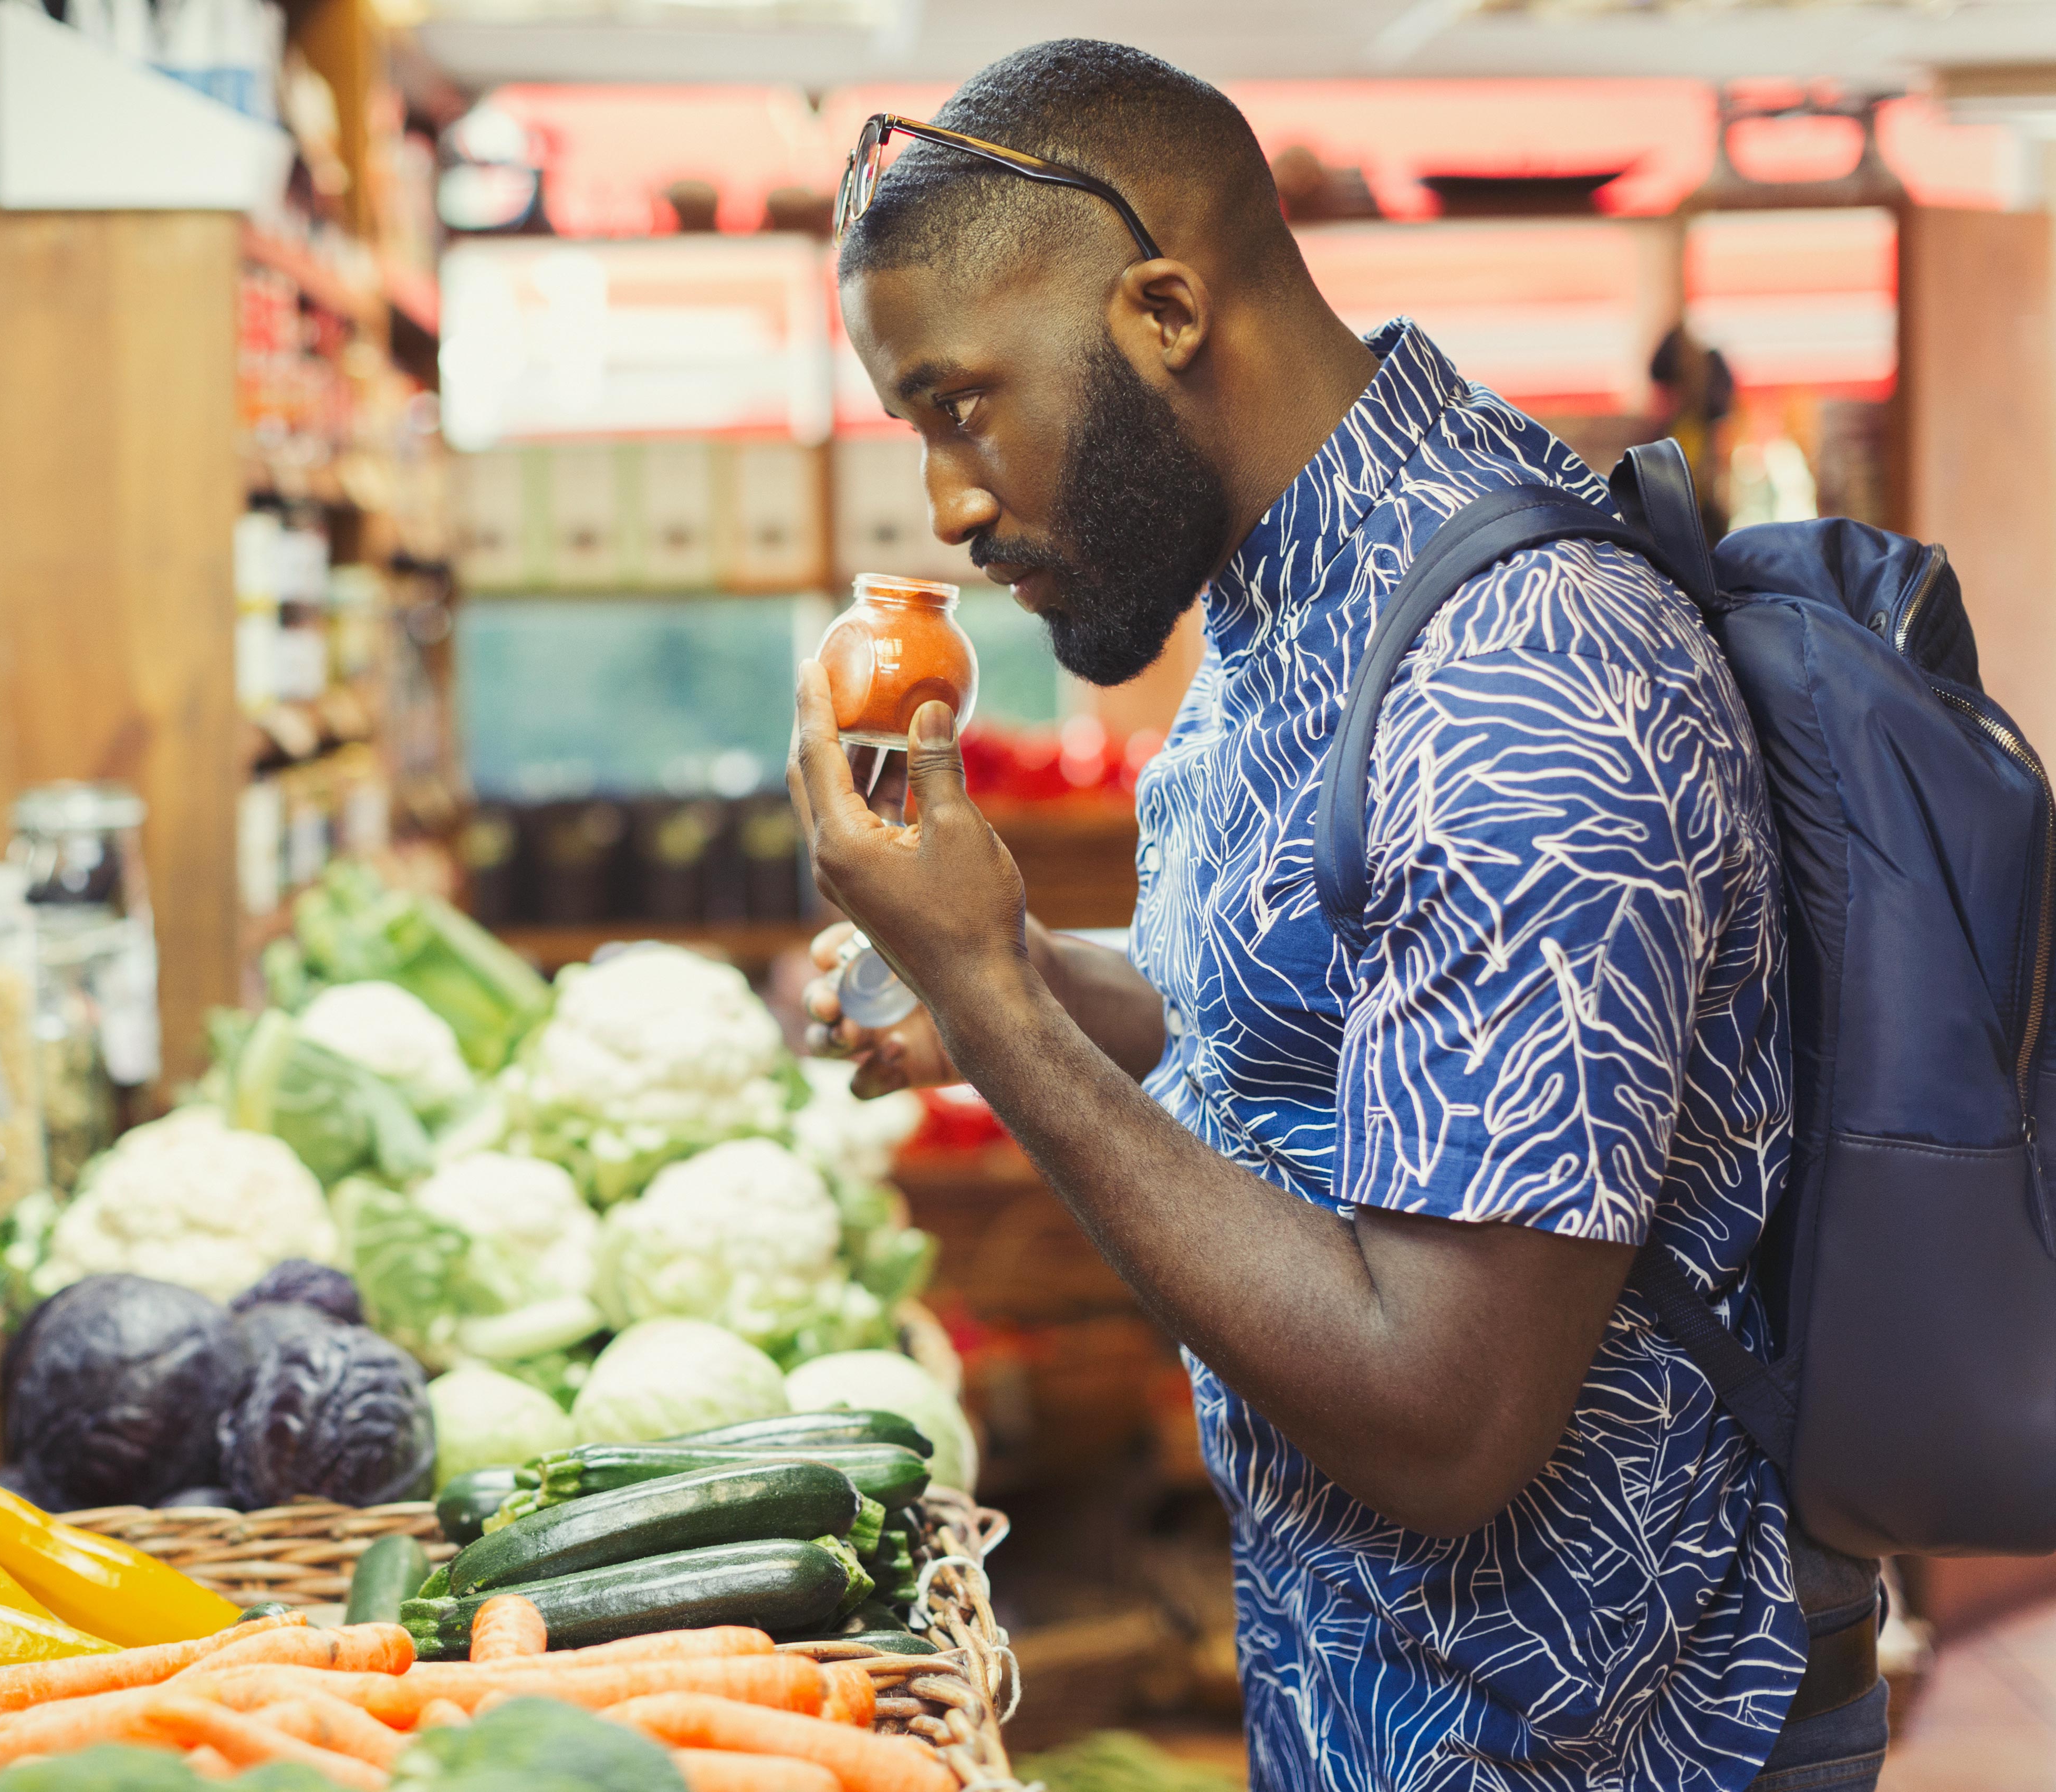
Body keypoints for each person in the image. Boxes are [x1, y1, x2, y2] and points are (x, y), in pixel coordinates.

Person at [798, 39, 1885, 1792]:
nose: (951, 505)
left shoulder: (1522, 682)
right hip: (1381, 1704)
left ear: (1162, 309)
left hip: (1602, 1748)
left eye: (961, 404)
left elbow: (1444, 1425)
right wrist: (1028, 982)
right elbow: (1296, 1020)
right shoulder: (1294, 591)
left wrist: (991, 994)